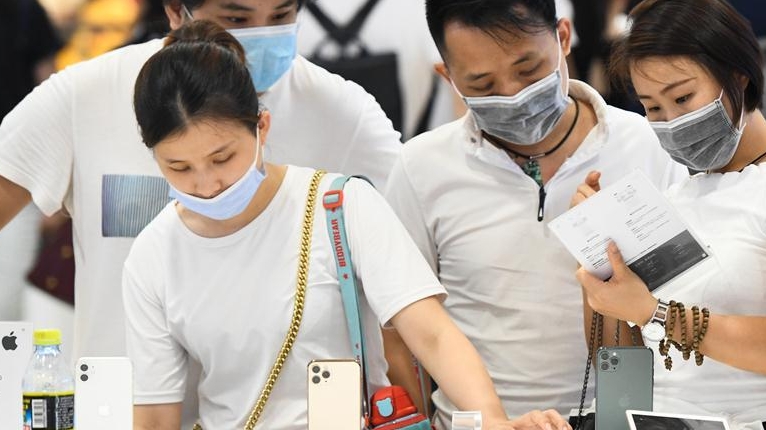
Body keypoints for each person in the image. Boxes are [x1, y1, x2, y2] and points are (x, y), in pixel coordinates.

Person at [125, 19, 570, 430]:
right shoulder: (154, 254)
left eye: (223, 158)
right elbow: (156, 416)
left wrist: (492, 419)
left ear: (262, 127)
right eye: (178, 167)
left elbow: (431, 334)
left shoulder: (339, 206)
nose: (207, 184)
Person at [0, 0, 400, 361]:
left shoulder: (341, 112)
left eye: (281, 15)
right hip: (124, 400)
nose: (263, 35)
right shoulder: (87, 95)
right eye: (236, 18)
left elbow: (412, 249)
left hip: (286, 404)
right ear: (177, 11)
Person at [382, 0, 687, 427]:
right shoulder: (420, 168)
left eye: (528, 71)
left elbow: (687, 307)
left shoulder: (648, 145)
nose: (512, 95)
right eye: (483, 84)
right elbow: (400, 331)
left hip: (624, 418)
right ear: (448, 76)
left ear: (563, 37)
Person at [573, 0, 766, 428]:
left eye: (683, 97)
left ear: (739, 76)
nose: (673, 121)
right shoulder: (671, 200)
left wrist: (655, 313)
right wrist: (598, 253)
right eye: (653, 108)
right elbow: (623, 376)